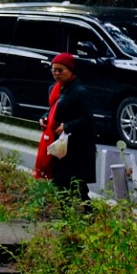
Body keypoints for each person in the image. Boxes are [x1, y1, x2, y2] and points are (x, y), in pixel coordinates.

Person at [33, 51, 96, 199]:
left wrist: (67, 127)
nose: (56, 73)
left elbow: (87, 119)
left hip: (77, 147)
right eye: (53, 70)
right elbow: (52, 111)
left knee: (77, 184)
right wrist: (44, 119)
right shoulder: (54, 89)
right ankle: (67, 216)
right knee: (60, 182)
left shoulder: (80, 92)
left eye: (60, 70)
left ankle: (87, 214)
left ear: (70, 70)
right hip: (59, 145)